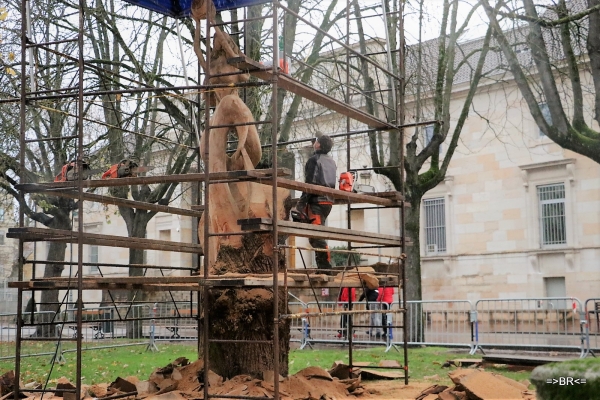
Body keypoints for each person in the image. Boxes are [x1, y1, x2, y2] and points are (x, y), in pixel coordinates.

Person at [295, 134, 337, 273]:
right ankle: (323, 266)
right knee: (316, 232)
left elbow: (310, 183)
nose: (314, 143)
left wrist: (301, 204)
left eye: (316, 141)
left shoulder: (314, 160)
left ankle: (325, 267)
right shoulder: (331, 161)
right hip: (328, 201)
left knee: (316, 235)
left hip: (316, 201)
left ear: (318, 145)